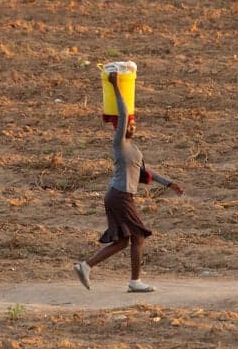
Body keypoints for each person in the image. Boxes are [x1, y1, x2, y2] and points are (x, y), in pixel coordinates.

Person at [73, 69, 183, 292]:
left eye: (134, 124)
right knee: (139, 236)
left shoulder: (134, 149)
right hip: (120, 195)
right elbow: (123, 114)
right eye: (130, 124)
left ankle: (86, 266)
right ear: (121, 128)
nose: (133, 125)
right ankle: (135, 282)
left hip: (119, 195)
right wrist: (116, 86)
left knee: (124, 241)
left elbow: (145, 170)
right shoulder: (119, 144)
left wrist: (169, 183)